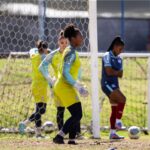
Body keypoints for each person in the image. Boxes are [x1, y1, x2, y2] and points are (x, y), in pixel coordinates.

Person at [39, 30, 82, 138]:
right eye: (62, 43)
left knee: (75, 111)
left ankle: (76, 134)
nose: (64, 45)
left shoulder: (71, 54)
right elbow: (42, 67)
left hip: (69, 85)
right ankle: (61, 133)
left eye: (66, 43)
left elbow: (78, 69)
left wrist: (77, 81)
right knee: (61, 110)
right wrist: (50, 79)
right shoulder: (53, 54)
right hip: (58, 86)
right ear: (58, 43)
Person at [52, 24, 88, 144]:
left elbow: (70, 73)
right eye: (80, 36)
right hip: (63, 86)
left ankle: (72, 139)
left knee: (76, 113)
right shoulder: (70, 52)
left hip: (66, 85)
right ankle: (59, 136)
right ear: (73, 38)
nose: (82, 38)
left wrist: (78, 84)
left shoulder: (71, 51)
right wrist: (78, 86)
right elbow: (65, 72)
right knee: (77, 113)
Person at [18, 40, 51, 138]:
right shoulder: (43, 58)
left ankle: (25, 124)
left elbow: (31, 50)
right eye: (45, 49)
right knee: (40, 109)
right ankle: (37, 133)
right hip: (39, 86)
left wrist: (41, 50)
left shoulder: (34, 54)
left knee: (42, 110)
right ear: (44, 49)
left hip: (40, 86)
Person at [101, 37, 126, 139]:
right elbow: (108, 71)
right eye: (120, 49)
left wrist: (114, 71)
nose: (121, 51)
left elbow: (121, 74)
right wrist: (115, 72)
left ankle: (112, 133)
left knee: (114, 108)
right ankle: (118, 122)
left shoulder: (120, 59)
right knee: (123, 99)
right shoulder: (107, 55)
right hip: (107, 84)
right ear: (115, 47)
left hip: (115, 85)